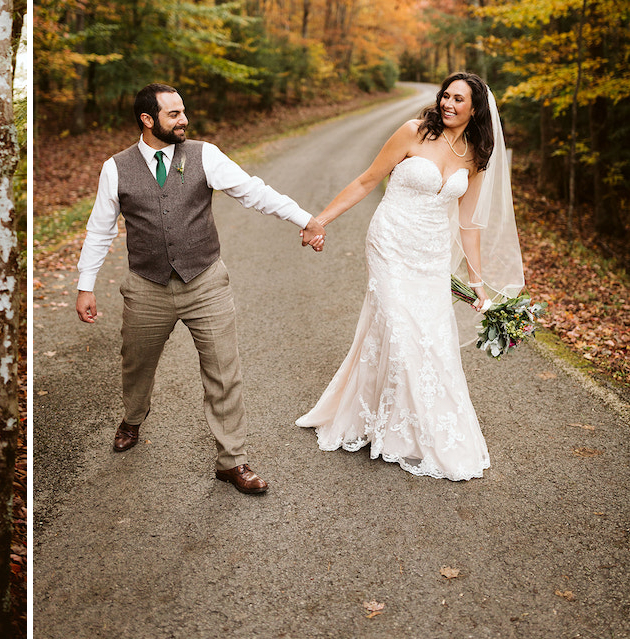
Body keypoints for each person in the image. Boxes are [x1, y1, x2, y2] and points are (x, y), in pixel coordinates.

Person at [75, 83, 326, 494]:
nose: (183, 119)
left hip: (205, 281)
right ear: (147, 120)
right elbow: (99, 229)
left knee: (224, 372)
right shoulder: (115, 168)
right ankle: (133, 418)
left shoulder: (204, 155)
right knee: (136, 366)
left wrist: (305, 218)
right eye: (173, 114)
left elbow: (254, 192)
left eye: (183, 111)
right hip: (146, 287)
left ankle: (232, 461)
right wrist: (86, 286)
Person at [296, 72, 525, 481]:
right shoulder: (412, 132)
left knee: (432, 340)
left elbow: (469, 226)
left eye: (459, 100)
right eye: (446, 96)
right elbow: (367, 179)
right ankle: (392, 428)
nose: (448, 104)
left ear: (476, 111)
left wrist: (477, 285)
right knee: (400, 332)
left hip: (433, 255)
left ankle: (410, 427)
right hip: (391, 243)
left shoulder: (475, 154)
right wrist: (321, 220)